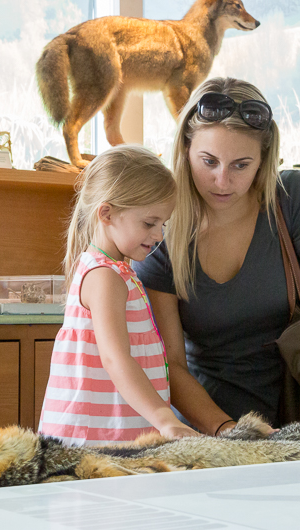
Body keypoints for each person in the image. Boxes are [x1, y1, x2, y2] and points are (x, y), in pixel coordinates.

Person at [135, 77, 300, 436]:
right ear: (186, 148)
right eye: (209, 161)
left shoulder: (296, 198)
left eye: (241, 165)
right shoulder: (159, 227)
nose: (222, 180)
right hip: (208, 427)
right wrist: (229, 431)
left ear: (263, 160)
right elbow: (170, 363)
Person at [38, 144, 200, 445]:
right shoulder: (105, 277)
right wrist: (165, 418)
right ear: (107, 213)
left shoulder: (117, 271)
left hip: (116, 430)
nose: (158, 236)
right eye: (149, 223)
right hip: (94, 438)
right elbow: (116, 358)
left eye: (162, 224)